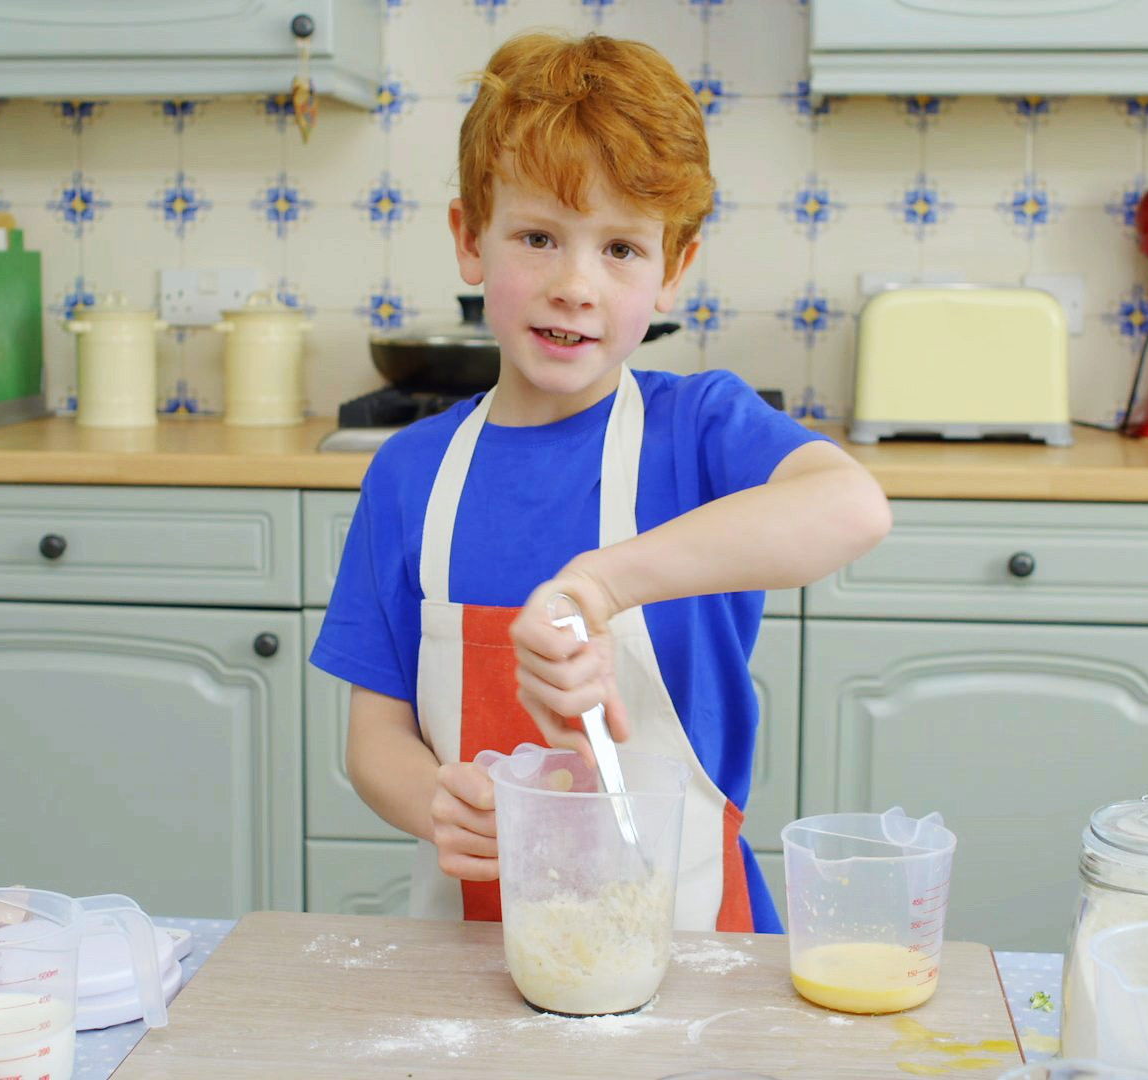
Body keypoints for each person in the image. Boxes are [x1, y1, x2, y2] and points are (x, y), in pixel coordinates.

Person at [309, 31, 892, 934]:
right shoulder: (409, 475)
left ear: (674, 272)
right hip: (470, 953)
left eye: (621, 248)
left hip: (693, 948)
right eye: (538, 236)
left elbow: (853, 506)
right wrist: (436, 801)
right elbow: (374, 737)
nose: (575, 284)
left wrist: (599, 584)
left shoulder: (698, 434)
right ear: (470, 239)